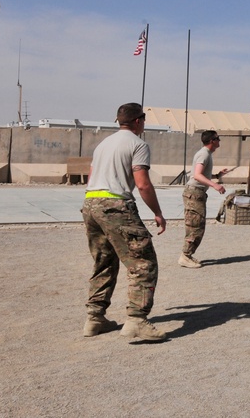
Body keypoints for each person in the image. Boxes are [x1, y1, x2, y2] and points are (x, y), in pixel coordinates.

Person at [81, 102, 167, 341]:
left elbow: (91, 178)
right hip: (115, 205)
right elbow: (142, 183)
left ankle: (94, 318)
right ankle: (137, 320)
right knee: (143, 262)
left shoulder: (103, 144)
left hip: (91, 203)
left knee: (104, 261)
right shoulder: (138, 144)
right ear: (139, 120)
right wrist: (157, 213)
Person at [179, 130, 231, 269]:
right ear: (212, 141)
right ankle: (185, 256)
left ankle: (187, 255)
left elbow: (202, 174)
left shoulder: (206, 154)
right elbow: (197, 175)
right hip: (194, 194)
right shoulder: (204, 154)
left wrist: (217, 175)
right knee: (195, 226)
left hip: (197, 194)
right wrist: (215, 185)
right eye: (218, 139)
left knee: (197, 226)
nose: (219, 141)